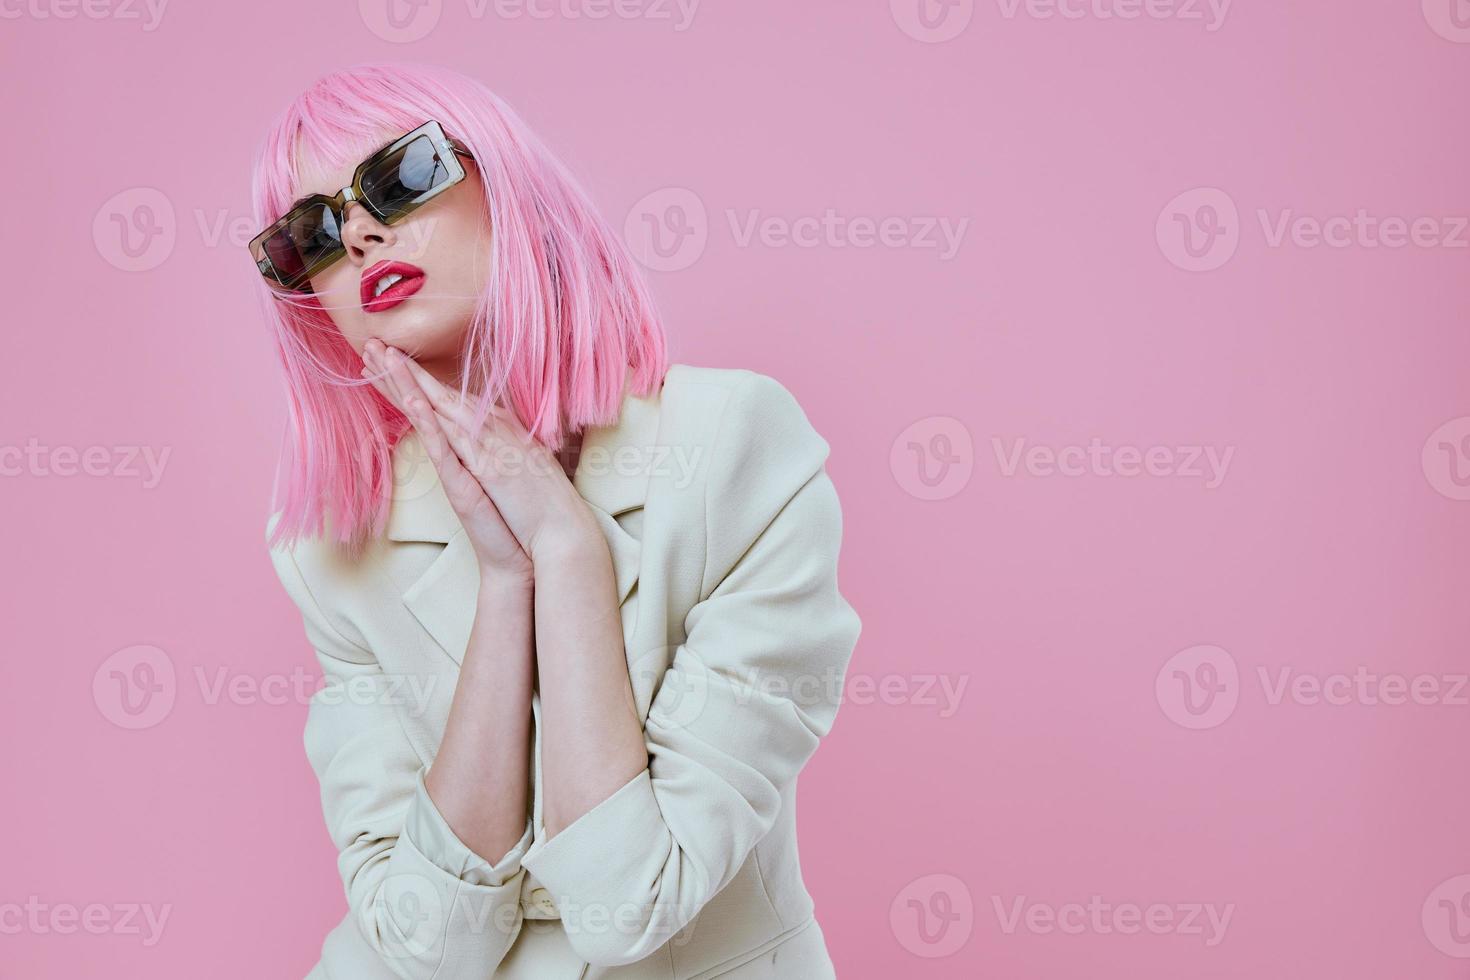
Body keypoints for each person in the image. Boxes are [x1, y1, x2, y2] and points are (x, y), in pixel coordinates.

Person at [250, 62, 861, 979]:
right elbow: (428, 947)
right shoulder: (328, 552)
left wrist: (566, 549)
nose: (365, 235)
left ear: (509, 186)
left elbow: (630, 906)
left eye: (400, 178)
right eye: (315, 235)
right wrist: (507, 581)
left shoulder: (734, 452)